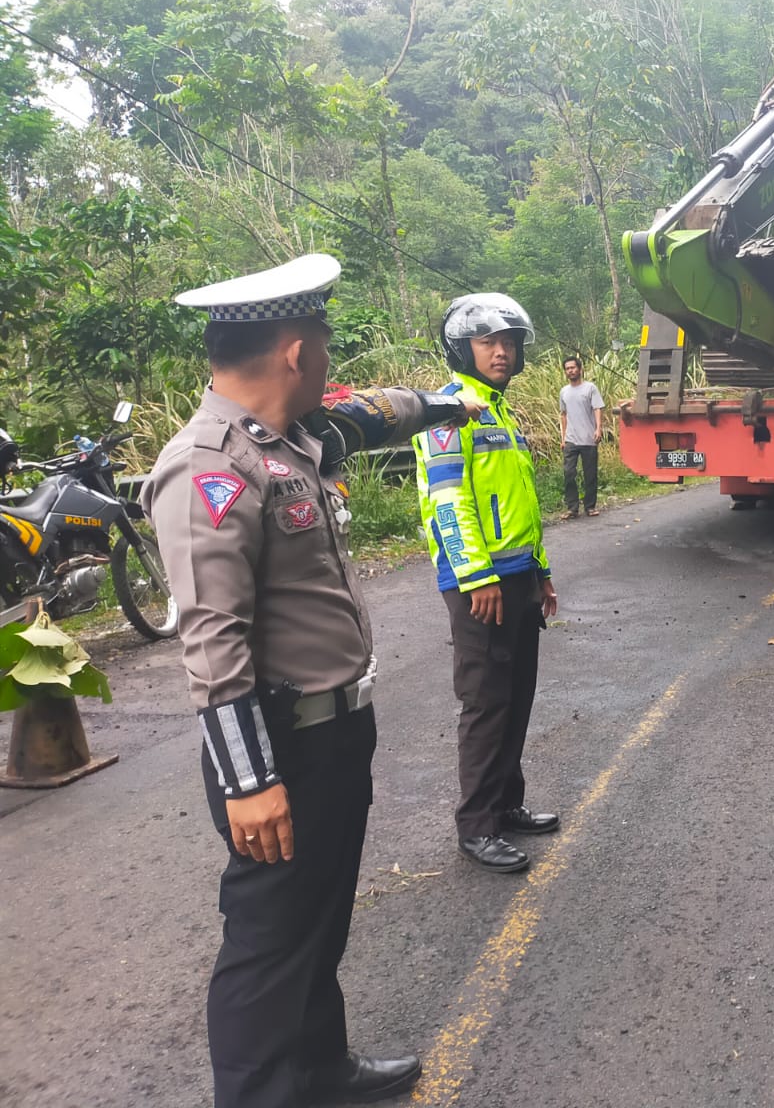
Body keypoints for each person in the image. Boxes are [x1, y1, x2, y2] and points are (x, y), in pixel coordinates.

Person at [145, 253, 486, 1108]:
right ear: (296, 350)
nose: (332, 359)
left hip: (335, 733)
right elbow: (211, 640)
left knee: (321, 917)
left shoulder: (293, 439)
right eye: (326, 342)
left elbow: (370, 415)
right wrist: (250, 781)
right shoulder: (208, 467)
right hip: (276, 746)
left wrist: (446, 402)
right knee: (268, 941)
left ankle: (321, 1071)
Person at [414, 293, 561, 874]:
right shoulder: (451, 410)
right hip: (481, 582)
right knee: (486, 703)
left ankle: (507, 804)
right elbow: (448, 503)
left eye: (510, 343)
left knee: (516, 695)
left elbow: (521, 506)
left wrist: (542, 572)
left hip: (519, 577)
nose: (502, 352)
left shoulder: (499, 412)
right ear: (462, 348)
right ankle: (476, 826)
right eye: (488, 343)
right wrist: (476, 575)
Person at [558, 355, 605, 519]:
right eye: (567, 368)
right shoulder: (564, 391)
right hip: (571, 439)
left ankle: (590, 507)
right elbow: (563, 415)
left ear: (580, 369)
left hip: (588, 439)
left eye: (573, 367)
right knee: (569, 473)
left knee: (590, 474)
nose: (570, 370)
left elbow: (597, 408)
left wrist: (598, 429)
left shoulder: (590, 388)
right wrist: (563, 437)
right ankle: (572, 508)